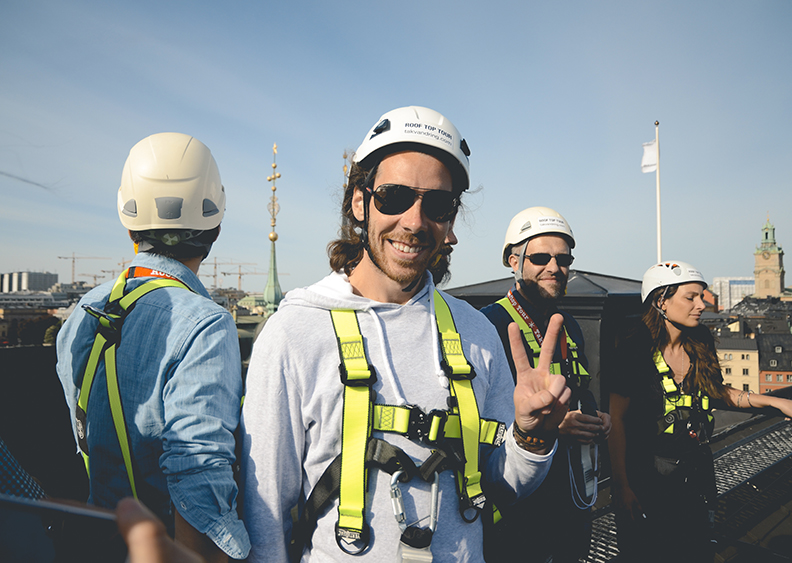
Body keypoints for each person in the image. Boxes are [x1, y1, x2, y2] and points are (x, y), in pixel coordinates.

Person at [240, 106, 571, 562]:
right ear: (360, 202)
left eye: (437, 204)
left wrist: (533, 437)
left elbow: (504, 484)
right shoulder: (295, 332)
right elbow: (266, 513)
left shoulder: (476, 333)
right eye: (394, 197)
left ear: (451, 220)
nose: (415, 222)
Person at [56, 132, 250, 562]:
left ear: (129, 224)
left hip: (96, 542)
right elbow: (198, 482)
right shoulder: (205, 324)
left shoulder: (82, 313)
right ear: (215, 226)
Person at [607, 261, 792, 562]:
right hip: (648, 479)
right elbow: (617, 420)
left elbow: (716, 393)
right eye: (690, 297)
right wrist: (622, 485)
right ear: (660, 301)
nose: (701, 304)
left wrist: (777, 402)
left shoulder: (699, 343)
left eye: (701, 296)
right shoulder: (633, 348)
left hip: (695, 475)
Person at [480, 206, 611, 563]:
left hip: (570, 497)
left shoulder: (567, 324)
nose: (554, 267)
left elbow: (579, 388)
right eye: (540, 257)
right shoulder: (486, 326)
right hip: (519, 507)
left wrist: (595, 417)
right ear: (513, 261)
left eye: (563, 259)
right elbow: (476, 422)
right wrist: (550, 427)